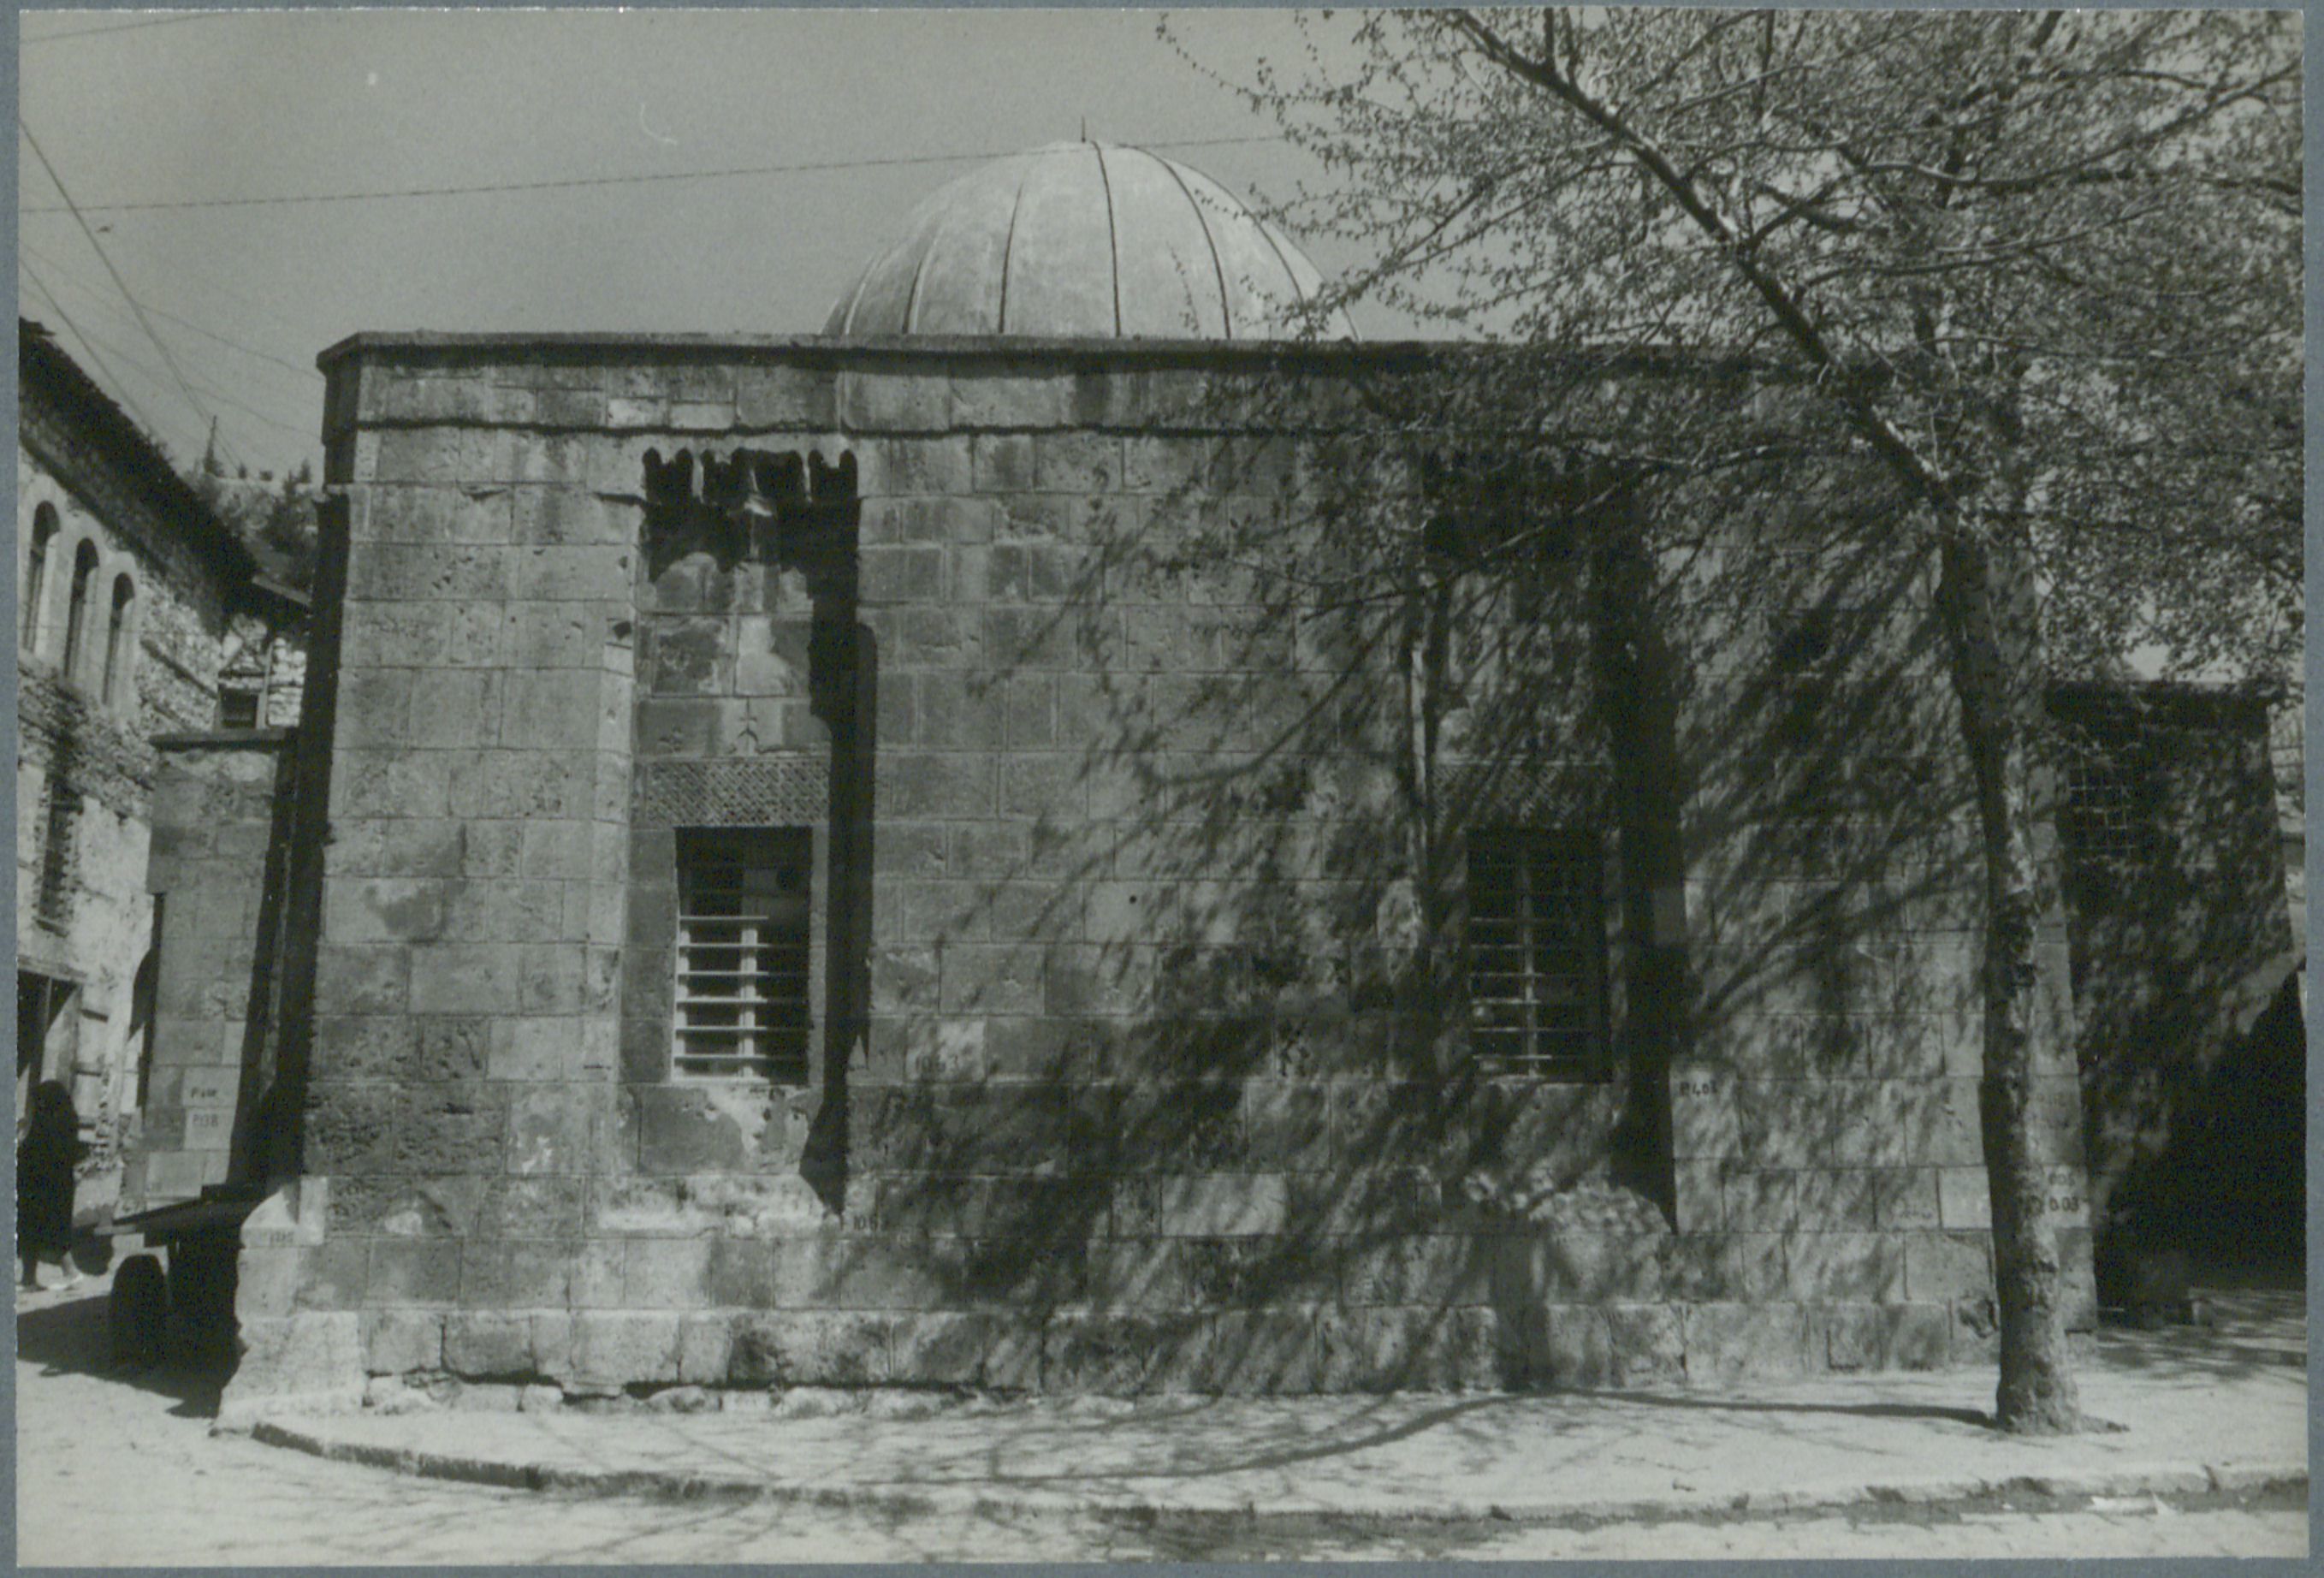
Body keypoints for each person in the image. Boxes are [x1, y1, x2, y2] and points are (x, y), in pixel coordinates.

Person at [18, 1081, 86, 1291]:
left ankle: (69, 1274)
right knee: (42, 1231)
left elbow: (33, 1153)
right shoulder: (65, 1122)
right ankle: (30, 1279)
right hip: (48, 1186)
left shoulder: (48, 1125)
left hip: (43, 1187)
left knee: (42, 1231)